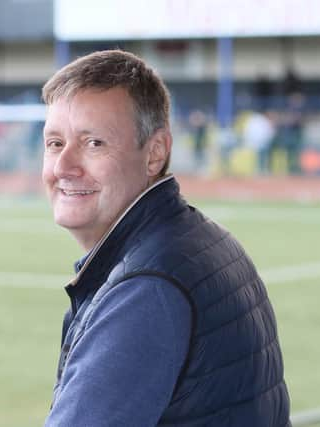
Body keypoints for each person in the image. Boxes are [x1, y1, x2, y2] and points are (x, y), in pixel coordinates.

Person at [40, 50, 290, 426]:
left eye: (94, 143)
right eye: (55, 143)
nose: (63, 166)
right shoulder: (199, 239)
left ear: (155, 153)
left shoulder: (146, 287)